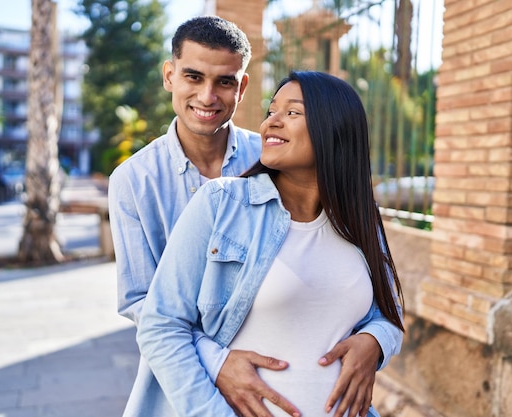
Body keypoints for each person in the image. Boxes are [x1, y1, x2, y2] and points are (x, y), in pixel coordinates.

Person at [109, 15, 401, 417]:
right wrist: (218, 361)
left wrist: (377, 340)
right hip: (192, 387)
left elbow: (383, 303)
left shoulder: (271, 154)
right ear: (170, 76)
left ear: (241, 87)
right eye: (193, 77)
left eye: (224, 82)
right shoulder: (137, 181)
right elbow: (150, 309)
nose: (208, 96)